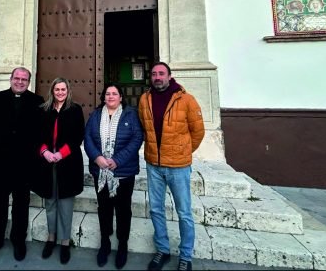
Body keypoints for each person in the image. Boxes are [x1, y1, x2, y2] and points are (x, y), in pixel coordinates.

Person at [138, 62, 204, 271]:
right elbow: (143, 125)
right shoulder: (144, 98)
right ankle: (163, 250)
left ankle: (185, 256)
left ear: (169, 76)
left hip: (178, 166)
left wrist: (182, 151)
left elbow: (198, 131)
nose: (157, 77)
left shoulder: (186, 99)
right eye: (154, 74)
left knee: (184, 212)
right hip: (153, 165)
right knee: (156, 209)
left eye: (161, 74)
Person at [0, 67, 44, 265]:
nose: (20, 82)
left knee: (21, 205)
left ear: (29, 82)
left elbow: (41, 128)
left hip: (24, 163)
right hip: (0, 161)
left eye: (24, 79)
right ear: (11, 79)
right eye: (17, 78)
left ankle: (18, 242)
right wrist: (2, 136)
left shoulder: (37, 102)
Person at [84, 83, 144, 269]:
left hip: (123, 172)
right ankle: (105, 243)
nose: (110, 96)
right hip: (100, 171)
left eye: (114, 94)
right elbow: (87, 139)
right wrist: (97, 158)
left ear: (121, 97)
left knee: (123, 209)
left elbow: (137, 139)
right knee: (104, 207)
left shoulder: (131, 114)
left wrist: (117, 160)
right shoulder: (95, 115)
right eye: (107, 94)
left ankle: (123, 245)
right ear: (104, 97)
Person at [31, 77, 84, 265]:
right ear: (52, 91)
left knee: (65, 204)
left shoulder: (75, 110)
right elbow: (35, 135)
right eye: (57, 89)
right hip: (46, 162)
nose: (60, 92)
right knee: (50, 202)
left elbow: (78, 136)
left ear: (68, 91)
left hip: (67, 163)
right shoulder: (43, 110)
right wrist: (45, 151)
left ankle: (64, 241)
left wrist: (61, 154)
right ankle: (51, 238)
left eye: (63, 89)